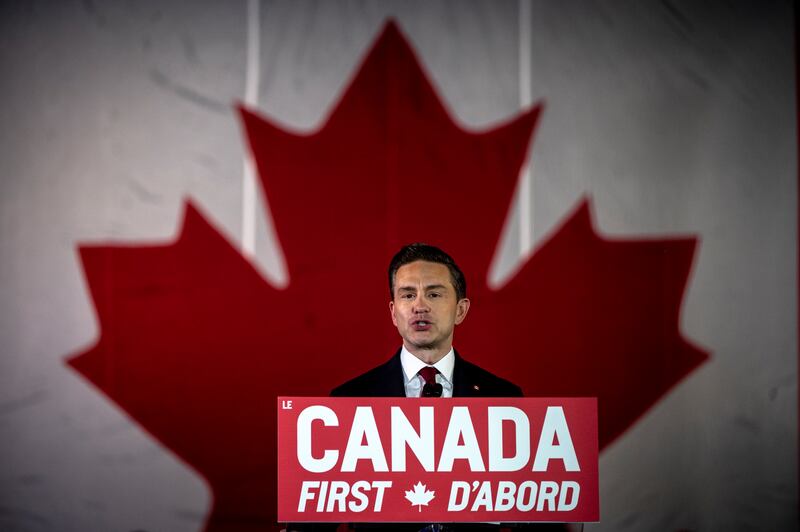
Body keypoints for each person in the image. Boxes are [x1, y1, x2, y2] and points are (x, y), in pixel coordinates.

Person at [331, 242, 522, 399]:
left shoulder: (504, 398)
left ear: (460, 310)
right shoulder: (349, 399)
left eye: (434, 294)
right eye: (408, 295)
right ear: (393, 313)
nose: (420, 306)